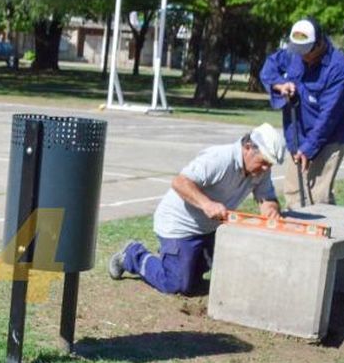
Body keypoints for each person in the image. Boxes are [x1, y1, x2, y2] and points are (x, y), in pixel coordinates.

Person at [107, 124, 285, 296]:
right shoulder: (219, 159)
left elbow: (267, 198)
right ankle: (132, 254)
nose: (265, 169)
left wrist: (271, 210)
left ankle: (174, 259)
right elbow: (180, 182)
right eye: (263, 163)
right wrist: (207, 204)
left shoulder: (260, 170)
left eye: (269, 165)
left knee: (201, 277)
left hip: (210, 229)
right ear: (248, 147)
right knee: (176, 284)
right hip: (178, 226)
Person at [261, 17, 344, 207]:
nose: (302, 56)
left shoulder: (338, 68)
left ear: (319, 43)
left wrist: (309, 148)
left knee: (318, 195)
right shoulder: (293, 53)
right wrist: (280, 84)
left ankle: (328, 233)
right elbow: (269, 68)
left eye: (307, 51)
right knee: (294, 192)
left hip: (331, 136)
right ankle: (297, 234)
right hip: (297, 132)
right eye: (298, 50)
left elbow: (329, 116)